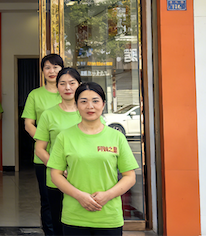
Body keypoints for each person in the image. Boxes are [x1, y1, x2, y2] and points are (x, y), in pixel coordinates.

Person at [48, 82, 138, 236]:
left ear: (103, 104)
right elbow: (55, 174)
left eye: (95, 101)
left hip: (109, 217)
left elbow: (130, 176)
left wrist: (107, 195)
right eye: (83, 101)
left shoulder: (117, 137)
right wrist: (79, 196)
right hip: (75, 217)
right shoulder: (64, 137)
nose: (90, 106)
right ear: (76, 105)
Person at [34, 67, 82, 236]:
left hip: (83, 179)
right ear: (57, 87)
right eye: (62, 83)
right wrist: (59, 169)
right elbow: (39, 148)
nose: (67, 87)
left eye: (72, 83)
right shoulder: (48, 115)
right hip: (57, 179)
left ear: (79, 85)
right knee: (59, 225)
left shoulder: (88, 112)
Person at [21, 53, 64, 235]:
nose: (51, 71)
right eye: (47, 67)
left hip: (71, 154)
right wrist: (43, 140)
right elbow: (28, 124)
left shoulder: (70, 93)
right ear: (42, 71)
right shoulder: (35, 95)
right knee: (48, 200)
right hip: (44, 156)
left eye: (55, 67)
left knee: (70, 200)